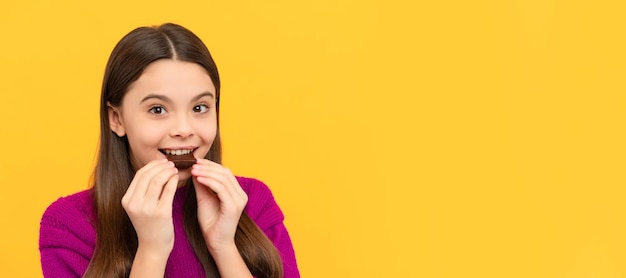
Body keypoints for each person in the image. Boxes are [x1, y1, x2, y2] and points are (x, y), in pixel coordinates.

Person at [39, 23, 300, 278]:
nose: (184, 129)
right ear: (116, 119)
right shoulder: (70, 225)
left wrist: (224, 247)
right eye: (157, 109)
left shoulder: (253, 203)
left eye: (200, 108)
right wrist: (152, 251)